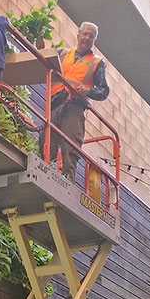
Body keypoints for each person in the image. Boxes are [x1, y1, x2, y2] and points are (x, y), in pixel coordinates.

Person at [47, 22, 109, 182]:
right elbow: (46, 66)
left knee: (71, 146)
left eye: (91, 36)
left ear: (94, 41)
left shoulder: (97, 62)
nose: (87, 38)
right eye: (85, 34)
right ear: (78, 36)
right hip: (54, 105)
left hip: (74, 107)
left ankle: (67, 180)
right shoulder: (62, 54)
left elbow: (104, 91)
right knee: (46, 141)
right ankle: (46, 171)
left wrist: (87, 91)